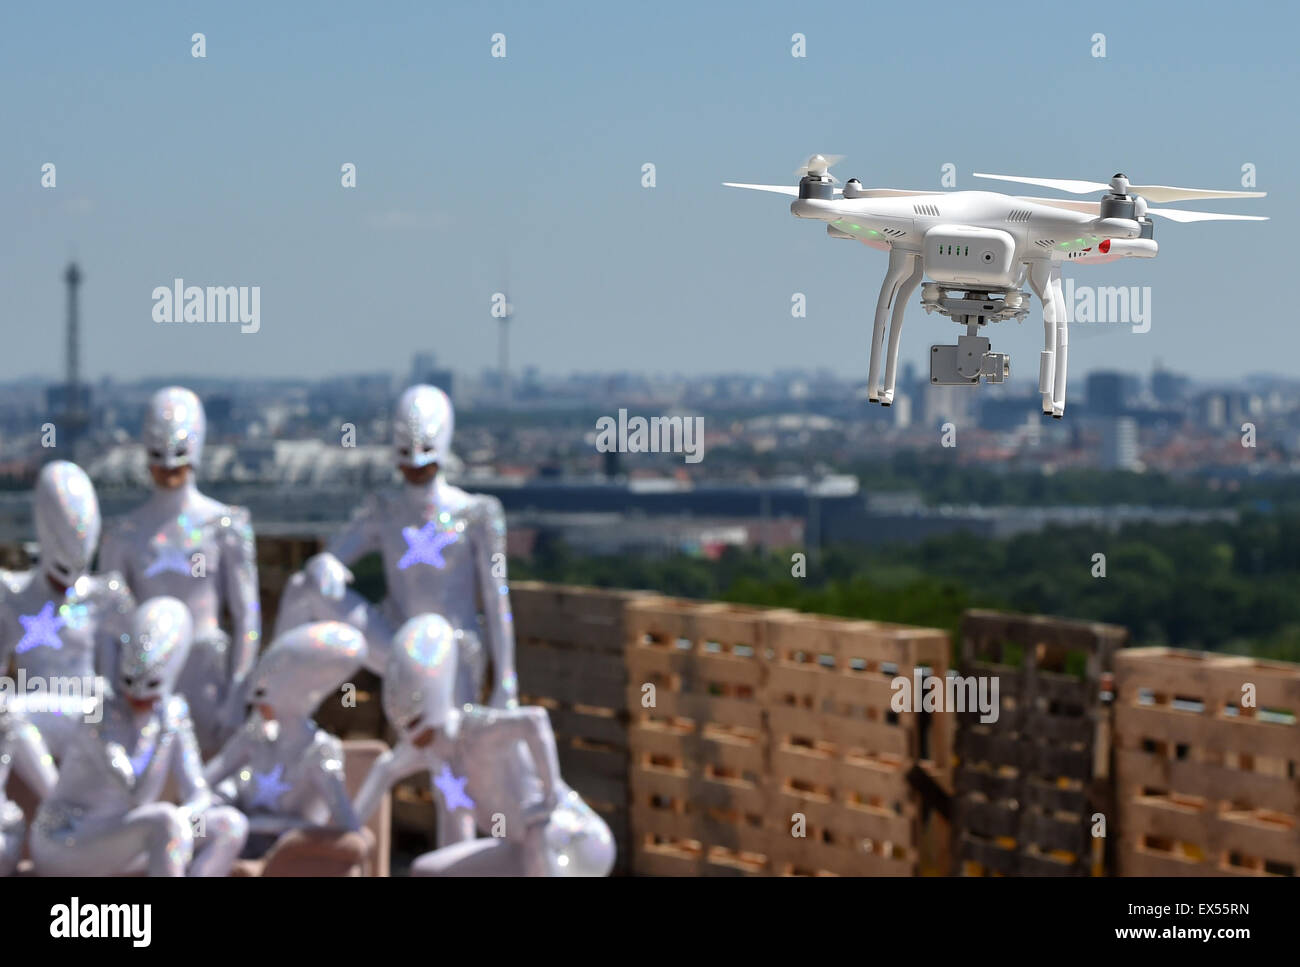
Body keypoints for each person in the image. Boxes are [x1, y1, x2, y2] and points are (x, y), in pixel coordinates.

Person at [274, 385, 518, 709]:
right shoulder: (384, 510)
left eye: (424, 458)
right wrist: (325, 564)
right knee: (302, 588)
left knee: (446, 744)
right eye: (408, 458)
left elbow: (495, 597)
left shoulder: (477, 514)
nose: (415, 467)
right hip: (396, 642)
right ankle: (275, 704)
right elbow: (334, 557)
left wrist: (506, 683)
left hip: (452, 650)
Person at [353, 614, 614, 877]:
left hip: (576, 838)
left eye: (416, 721)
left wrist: (550, 793)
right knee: (427, 870)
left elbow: (535, 720)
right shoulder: (429, 750)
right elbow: (385, 769)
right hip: (518, 846)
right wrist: (345, 826)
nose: (413, 735)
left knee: (537, 835)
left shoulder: (476, 727)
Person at [28, 597, 248, 877]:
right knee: (164, 819)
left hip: (129, 840)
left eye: (151, 686)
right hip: (68, 842)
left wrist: (186, 818)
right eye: (129, 683)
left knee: (228, 824)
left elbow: (198, 792)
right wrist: (165, 731)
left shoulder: (173, 714)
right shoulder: (99, 713)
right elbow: (133, 788)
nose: (136, 697)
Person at [100, 387, 261, 755]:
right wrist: (111, 692)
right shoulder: (123, 534)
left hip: (208, 674)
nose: (169, 469)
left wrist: (238, 690)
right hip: (142, 677)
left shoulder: (225, 527)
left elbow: (247, 614)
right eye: (159, 458)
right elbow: (107, 627)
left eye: (177, 459)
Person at [0, 462, 133, 784]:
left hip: (90, 713)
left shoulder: (108, 596)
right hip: (29, 716)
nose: (67, 585)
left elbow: (132, 667)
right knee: (7, 713)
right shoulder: (10, 595)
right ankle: (52, 801)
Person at [204, 621, 368, 861]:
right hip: (232, 844)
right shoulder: (255, 738)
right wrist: (213, 803)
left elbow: (348, 826)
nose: (257, 706)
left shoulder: (320, 752)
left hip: (286, 860)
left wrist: (269, 825)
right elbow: (203, 783)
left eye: (262, 696)